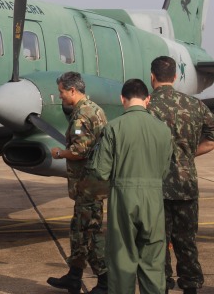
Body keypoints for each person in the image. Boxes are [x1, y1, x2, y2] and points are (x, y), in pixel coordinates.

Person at [86, 78, 172, 293]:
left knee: (122, 260)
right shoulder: (163, 130)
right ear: (148, 99)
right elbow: (165, 169)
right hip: (153, 198)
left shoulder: (113, 128)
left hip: (123, 197)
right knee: (153, 262)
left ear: (122, 99)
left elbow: (100, 171)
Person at [147, 56, 214, 294]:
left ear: (152, 76)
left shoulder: (146, 106)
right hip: (186, 184)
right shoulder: (194, 105)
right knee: (186, 240)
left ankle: (161, 284)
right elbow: (212, 137)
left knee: (158, 241)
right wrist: (187, 154)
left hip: (155, 185)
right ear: (175, 77)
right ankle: (191, 286)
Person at [47, 71, 108, 294]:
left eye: (62, 92)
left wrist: (60, 153)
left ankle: (105, 281)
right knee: (78, 231)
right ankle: (74, 276)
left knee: (89, 232)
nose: (60, 96)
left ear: (72, 90)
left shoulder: (82, 115)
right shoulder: (95, 109)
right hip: (93, 183)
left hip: (88, 184)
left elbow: (80, 150)